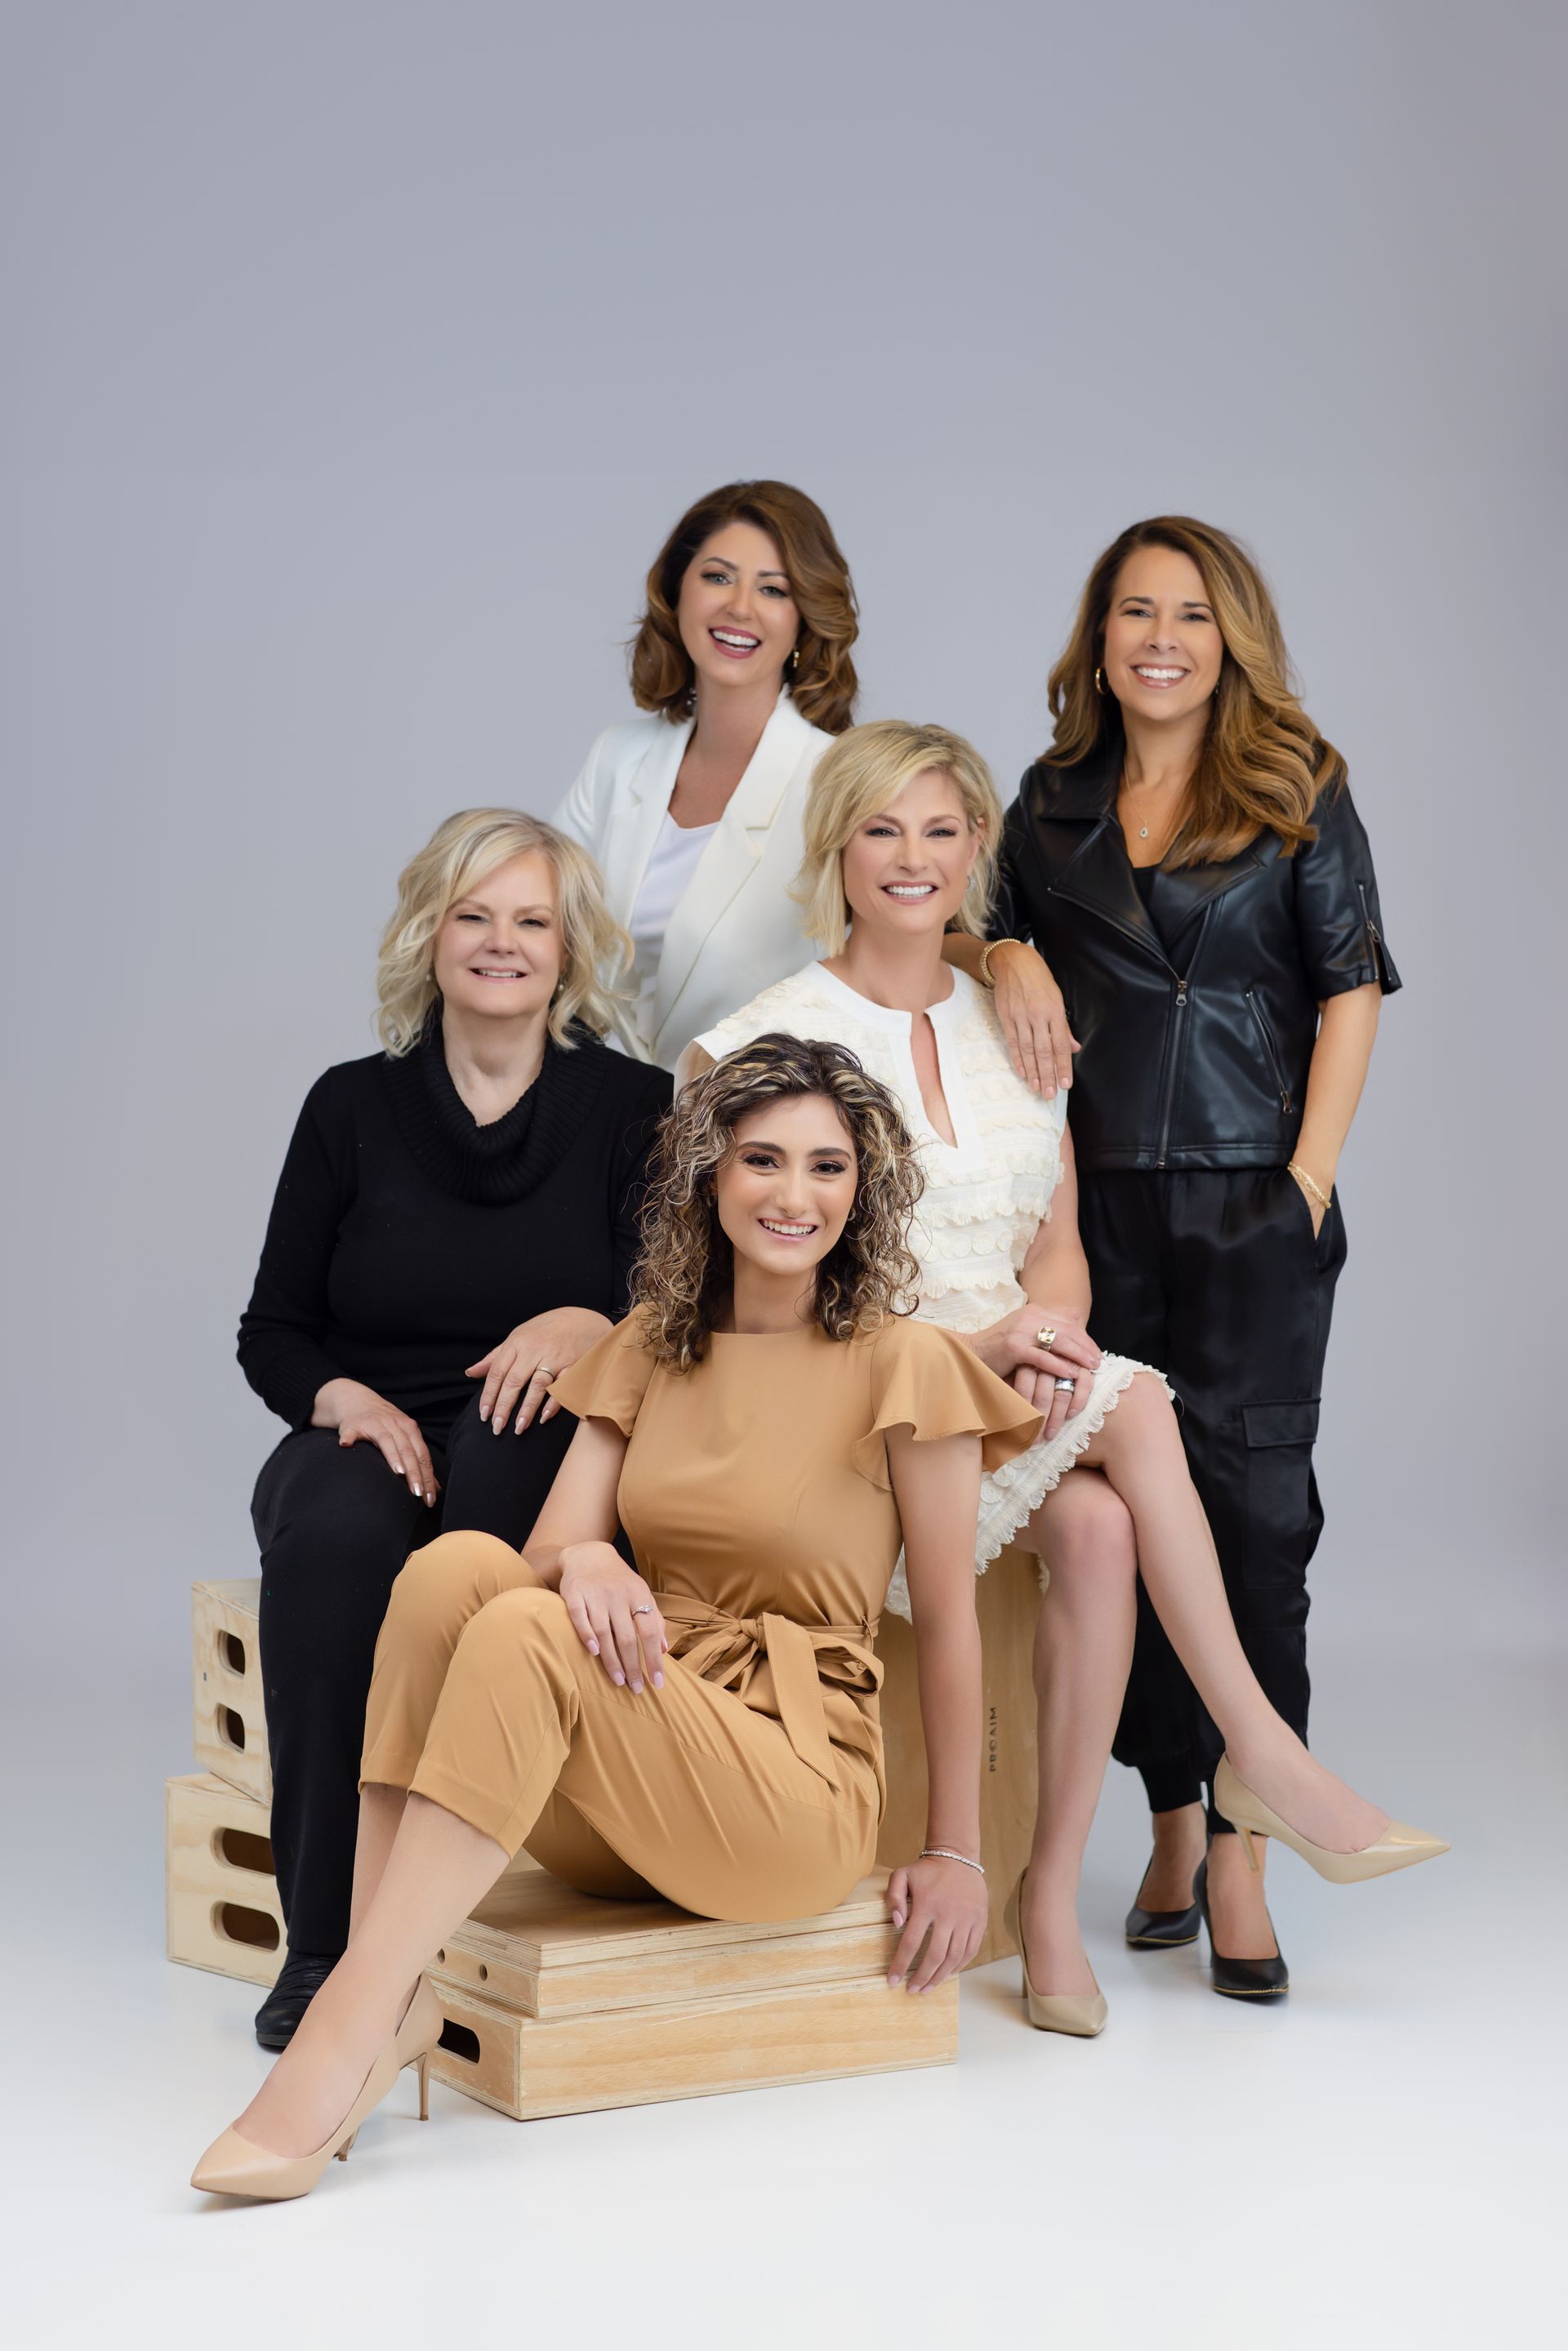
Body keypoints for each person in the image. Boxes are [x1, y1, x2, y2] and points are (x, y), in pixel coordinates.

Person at [685, 720, 1441, 2033]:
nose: (912, 858)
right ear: (836, 849)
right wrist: (980, 1362)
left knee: (1097, 1522)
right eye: (880, 829)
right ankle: (1256, 1752)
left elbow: (1060, 1249)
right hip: (847, 1422)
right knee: (1143, 1404)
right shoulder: (760, 1039)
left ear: (981, 847)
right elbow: (728, 1304)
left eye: (941, 829)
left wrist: (1047, 1352)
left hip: (1010, 1411)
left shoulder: (1018, 1022)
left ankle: (1046, 1903)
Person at [193, 1036, 1045, 2197]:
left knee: (524, 1617)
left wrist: (955, 1851)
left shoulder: (907, 1364)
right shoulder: (650, 1343)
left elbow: (948, 1622)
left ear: (865, 1187)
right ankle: (376, 1981)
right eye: (762, 1159)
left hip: (786, 1791)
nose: (794, 1195)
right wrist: (588, 1552)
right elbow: (545, 1560)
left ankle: (345, 2027)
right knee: (456, 1573)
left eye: (827, 1167)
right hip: (638, 1763)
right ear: (709, 1173)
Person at [965, 518, 1400, 1996]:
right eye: (1135, 611)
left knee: (1257, 1516)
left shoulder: (1296, 785)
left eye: (1192, 615)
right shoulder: (1046, 802)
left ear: (1232, 639)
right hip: (1087, 1216)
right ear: (1099, 638)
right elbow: (956, 935)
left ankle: (1241, 1840)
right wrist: (997, 952)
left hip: (1248, 1200)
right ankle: (1164, 1809)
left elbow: (1351, 987)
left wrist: (1310, 1179)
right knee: (1127, 1521)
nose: (1162, 637)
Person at [237, 809, 670, 2049]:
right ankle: (324, 1941)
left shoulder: (632, 1106)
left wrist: (593, 1319)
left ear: (569, 951)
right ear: (430, 938)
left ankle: (422, 1923)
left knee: (493, 1489)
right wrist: (344, 1401)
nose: (501, 942)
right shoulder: (350, 1108)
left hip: (543, 1430)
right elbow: (273, 1328)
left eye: (531, 919)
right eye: (474, 915)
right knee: (329, 1539)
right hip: (370, 1425)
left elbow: (678, 1313)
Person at [553, 479, 858, 1069]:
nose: (739, 606)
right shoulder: (616, 758)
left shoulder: (838, 779)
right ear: (678, 593)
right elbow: (543, 931)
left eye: (773, 589)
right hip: (597, 1114)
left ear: (804, 620)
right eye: (718, 577)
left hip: (759, 1128)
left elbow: (904, 960)